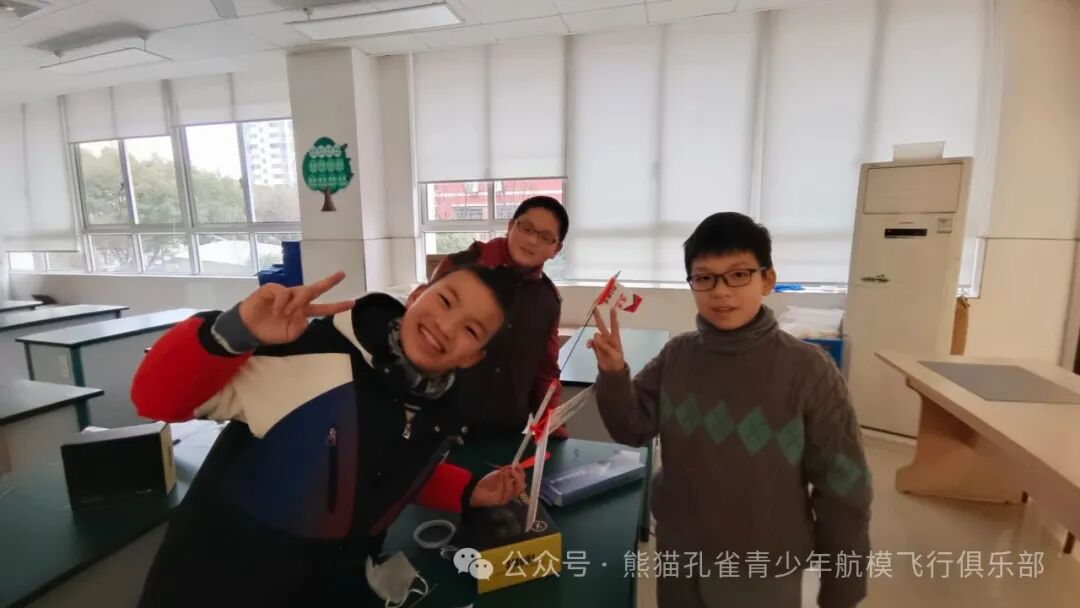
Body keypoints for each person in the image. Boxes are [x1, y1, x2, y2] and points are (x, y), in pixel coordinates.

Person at [133, 266, 526, 607]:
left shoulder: (441, 406)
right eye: (445, 301)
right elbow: (154, 399)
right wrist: (234, 330)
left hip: (328, 592)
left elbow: (384, 466)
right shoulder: (310, 350)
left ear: (474, 357)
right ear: (417, 294)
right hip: (211, 591)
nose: (446, 326)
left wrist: (469, 490)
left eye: (471, 330)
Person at [588, 212, 872, 608]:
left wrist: (843, 589)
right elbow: (631, 428)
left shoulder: (809, 370)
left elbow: (844, 486)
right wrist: (614, 373)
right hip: (680, 552)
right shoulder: (678, 355)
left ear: (767, 280)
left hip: (762, 565)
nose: (720, 292)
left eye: (738, 275)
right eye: (704, 278)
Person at [409, 195, 569, 436]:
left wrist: (554, 427)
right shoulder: (460, 267)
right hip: (440, 429)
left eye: (546, 237)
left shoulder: (547, 300)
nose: (532, 240)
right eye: (526, 228)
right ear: (510, 226)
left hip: (505, 435)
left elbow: (545, 373)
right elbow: (419, 339)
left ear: (556, 249)